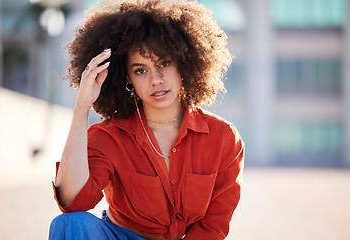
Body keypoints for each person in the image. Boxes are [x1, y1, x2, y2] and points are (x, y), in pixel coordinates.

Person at [49, 0, 245, 239]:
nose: (156, 79)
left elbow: (214, 225)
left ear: (184, 64)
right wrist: (82, 108)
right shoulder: (109, 135)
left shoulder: (223, 137)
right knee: (70, 223)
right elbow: (72, 200)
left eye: (164, 63)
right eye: (141, 70)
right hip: (118, 235)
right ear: (128, 78)